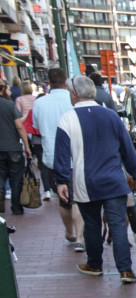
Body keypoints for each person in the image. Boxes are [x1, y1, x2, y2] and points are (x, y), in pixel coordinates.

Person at [53, 75, 136, 284]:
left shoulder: (67, 118)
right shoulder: (112, 116)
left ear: (74, 94)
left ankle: (94, 264)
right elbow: (127, 148)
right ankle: (125, 270)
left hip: (86, 182)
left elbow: (61, 154)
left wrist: (61, 181)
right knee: (118, 225)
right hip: (114, 181)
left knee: (92, 224)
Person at [32, 68, 81, 246]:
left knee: (64, 198)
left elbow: (36, 125)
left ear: (49, 82)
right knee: (78, 197)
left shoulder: (40, 102)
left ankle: (69, 232)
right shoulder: (72, 99)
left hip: (51, 156)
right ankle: (81, 237)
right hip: (75, 155)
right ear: (66, 81)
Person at [0, 79, 31, 216]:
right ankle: (17, 207)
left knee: (0, 175)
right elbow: (19, 126)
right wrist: (26, 145)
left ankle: (0, 192)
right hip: (13, 147)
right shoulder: (9, 105)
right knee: (16, 178)